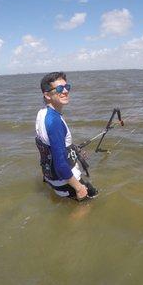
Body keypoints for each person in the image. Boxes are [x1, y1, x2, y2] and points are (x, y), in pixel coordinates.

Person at [35, 72, 97, 200]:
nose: (65, 91)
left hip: (51, 177)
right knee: (91, 202)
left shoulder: (43, 113)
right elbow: (60, 164)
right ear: (47, 95)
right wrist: (79, 188)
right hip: (65, 181)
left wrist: (73, 150)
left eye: (66, 87)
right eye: (59, 88)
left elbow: (51, 146)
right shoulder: (54, 122)